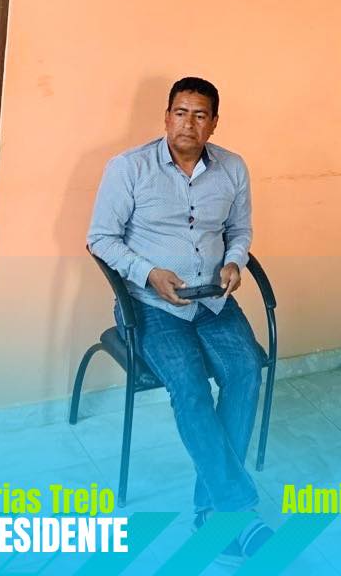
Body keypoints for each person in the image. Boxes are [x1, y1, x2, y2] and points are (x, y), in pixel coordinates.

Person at [88, 76, 271, 560]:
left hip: (212, 301)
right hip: (152, 307)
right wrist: (148, 274)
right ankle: (234, 511)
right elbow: (100, 239)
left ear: (214, 123)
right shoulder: (128, 168)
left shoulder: (233, 168)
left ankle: (211, 510)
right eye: (180, 113)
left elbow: (240, 229)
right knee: (189, 387)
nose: (189, 123)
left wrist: (234, 261)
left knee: (245, 372)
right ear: (167, 117)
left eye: (200, 115)